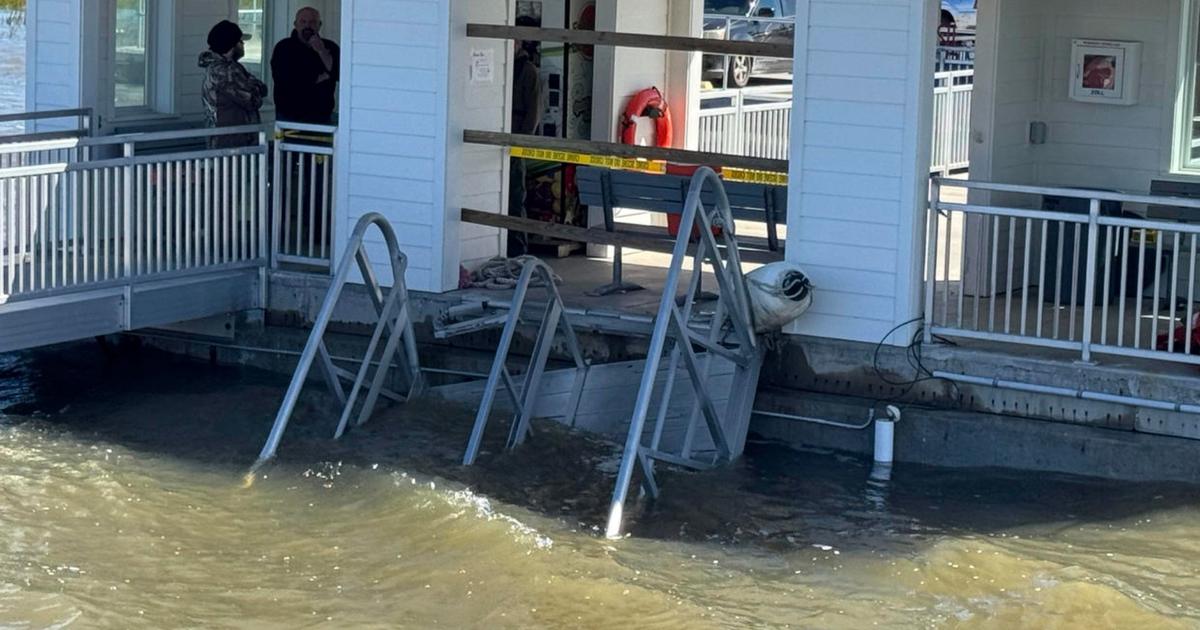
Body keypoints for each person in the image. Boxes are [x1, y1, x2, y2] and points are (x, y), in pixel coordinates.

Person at [199, 20, 267, 148]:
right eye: (241, 41)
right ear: (232, 45)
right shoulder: (227, 72)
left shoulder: (214, 68)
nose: (243, 45)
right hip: (233, 142)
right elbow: (253, 100)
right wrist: (255, 85)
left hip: (222, 138)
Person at [508, 15, 544, 256]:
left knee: (515, 197)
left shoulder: (528, 72)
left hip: (516, 140)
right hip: (499, 137)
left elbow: (534, 113)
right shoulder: (505, 68)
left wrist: (522, 143)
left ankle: (518, 250)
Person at [271, 7, 341, 124]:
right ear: (295, 24)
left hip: (322, 116)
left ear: (319, 25)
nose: (308, 26)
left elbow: (339, 74)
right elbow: (286, 81)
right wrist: (321, 77)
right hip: (289, 116)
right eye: (303, 22)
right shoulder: (284, 47)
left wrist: (322, 52)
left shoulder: (330, 46)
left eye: (312, 22)